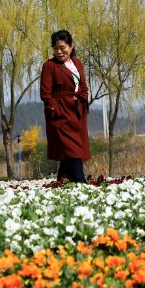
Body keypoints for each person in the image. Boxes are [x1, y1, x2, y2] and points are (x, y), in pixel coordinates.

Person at [40, 30, 90, 183]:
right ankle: (80, 181)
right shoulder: (49, 66)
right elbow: (45, 94)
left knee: (73, 148)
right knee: (72, 148)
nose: (59, 52)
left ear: (71, 46)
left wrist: (84, 97)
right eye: (56, 48)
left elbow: (83, 85)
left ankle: (62, 181)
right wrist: (56, 109)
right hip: (61, 112)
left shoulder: (77, 63)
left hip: (77, 110)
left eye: (63, 48)